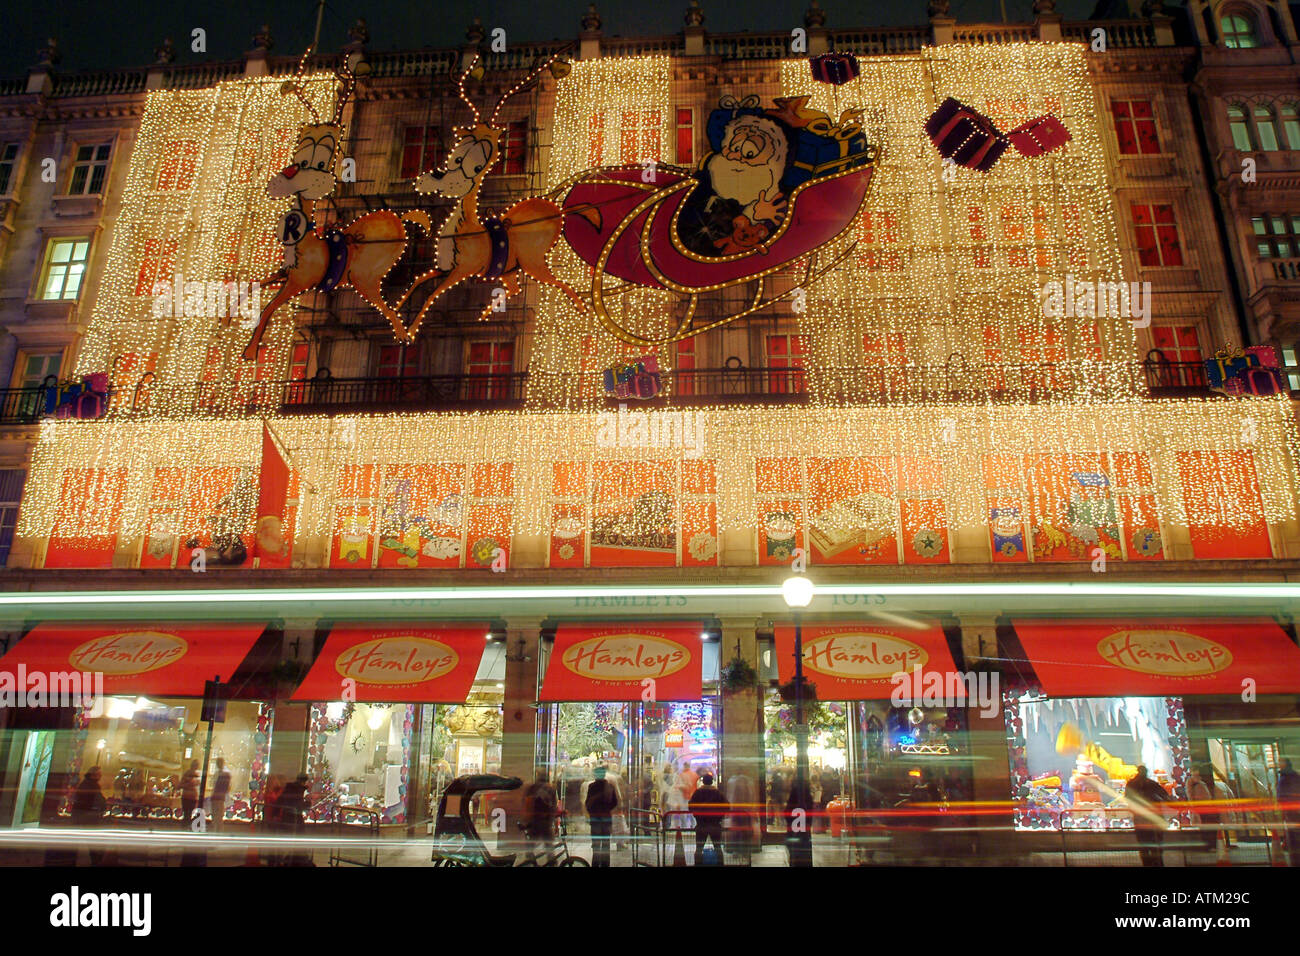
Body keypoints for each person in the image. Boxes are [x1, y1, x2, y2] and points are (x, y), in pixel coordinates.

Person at [1126, 765, 1170, 867]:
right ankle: (1157, 862)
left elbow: (1128, 799)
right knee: (1156, 844)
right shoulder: (1152, 784)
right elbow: (1165, 796)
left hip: (1140, 820)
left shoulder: (1131, 784)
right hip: (1154, 819)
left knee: (1143, 845)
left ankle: (1147, 863)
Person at [689, 772, 730, 866]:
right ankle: (720, 864)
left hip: (701, 824)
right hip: (715, 824)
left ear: (703, 782)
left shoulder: (698, 792)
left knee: (699, 848)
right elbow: (727, 805)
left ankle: (698, 864)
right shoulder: (717, 793)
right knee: (718, 847)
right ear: (712, 782)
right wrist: (720, 816)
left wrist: (697, 815)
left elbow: (691, 806)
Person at [71, 766, 108, 865]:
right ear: (94, 774)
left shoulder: (85, 784)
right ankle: (95, 861)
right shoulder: (92, 785)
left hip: (83, 815)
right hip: (88, 816)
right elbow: (98, 801)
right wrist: (103, 806)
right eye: (99, 774)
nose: (100, 776)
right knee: (93, 842)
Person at [585, 765, 619, 867]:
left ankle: (595, 864)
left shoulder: (592, 787)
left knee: (596, 845)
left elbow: (588, 803)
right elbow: (615, 802)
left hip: (595, 818)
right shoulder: (610, 786)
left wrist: (591, 811)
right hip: (606, 818)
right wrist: (607, 809)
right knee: (605, 844)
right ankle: (605, 864)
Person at [521, 772, 558, 854]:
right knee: (548, 844)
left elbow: (524, 802)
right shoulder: (550, 789)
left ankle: (530, 859)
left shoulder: (532, 788)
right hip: (545, 821)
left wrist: (526, 818)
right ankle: (551, 860)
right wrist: (554, 823)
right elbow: (553, 807)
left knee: (531, 843)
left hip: (533, 820)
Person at [1277, 758, 1300, 866]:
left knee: (1293, 833)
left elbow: (1283, 794)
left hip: (1291, 810)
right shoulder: (1293, 776)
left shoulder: (1286, 777)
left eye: (1280, 762)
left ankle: (1295, 858)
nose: (1278, 764)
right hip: (1292, 809)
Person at [1185, 768, 1214, 852]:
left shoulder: (1199, 782)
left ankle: (1207, 845)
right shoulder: (1192, 782)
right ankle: (1205, 846)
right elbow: (1190, 794)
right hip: (1199, 808)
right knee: (1202, 827)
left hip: (1204, 807)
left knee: (1204, 826)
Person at [209, 757, 232, 832]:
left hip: (216, 797)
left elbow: (213, 784)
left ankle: (215, 832)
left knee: (215, 816)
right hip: (220, 797)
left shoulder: (218, 774)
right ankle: (218, 832)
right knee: (218, 817)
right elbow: (228, 788)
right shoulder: (226, 774)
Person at [180, 760, 201, 829]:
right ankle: (186, 826)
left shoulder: (187, 773)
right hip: (191, 796)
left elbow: (182, 784)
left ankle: (185, 826)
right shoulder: (197, 774)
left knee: (187, 813)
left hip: (188, 796)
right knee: (188, 813)